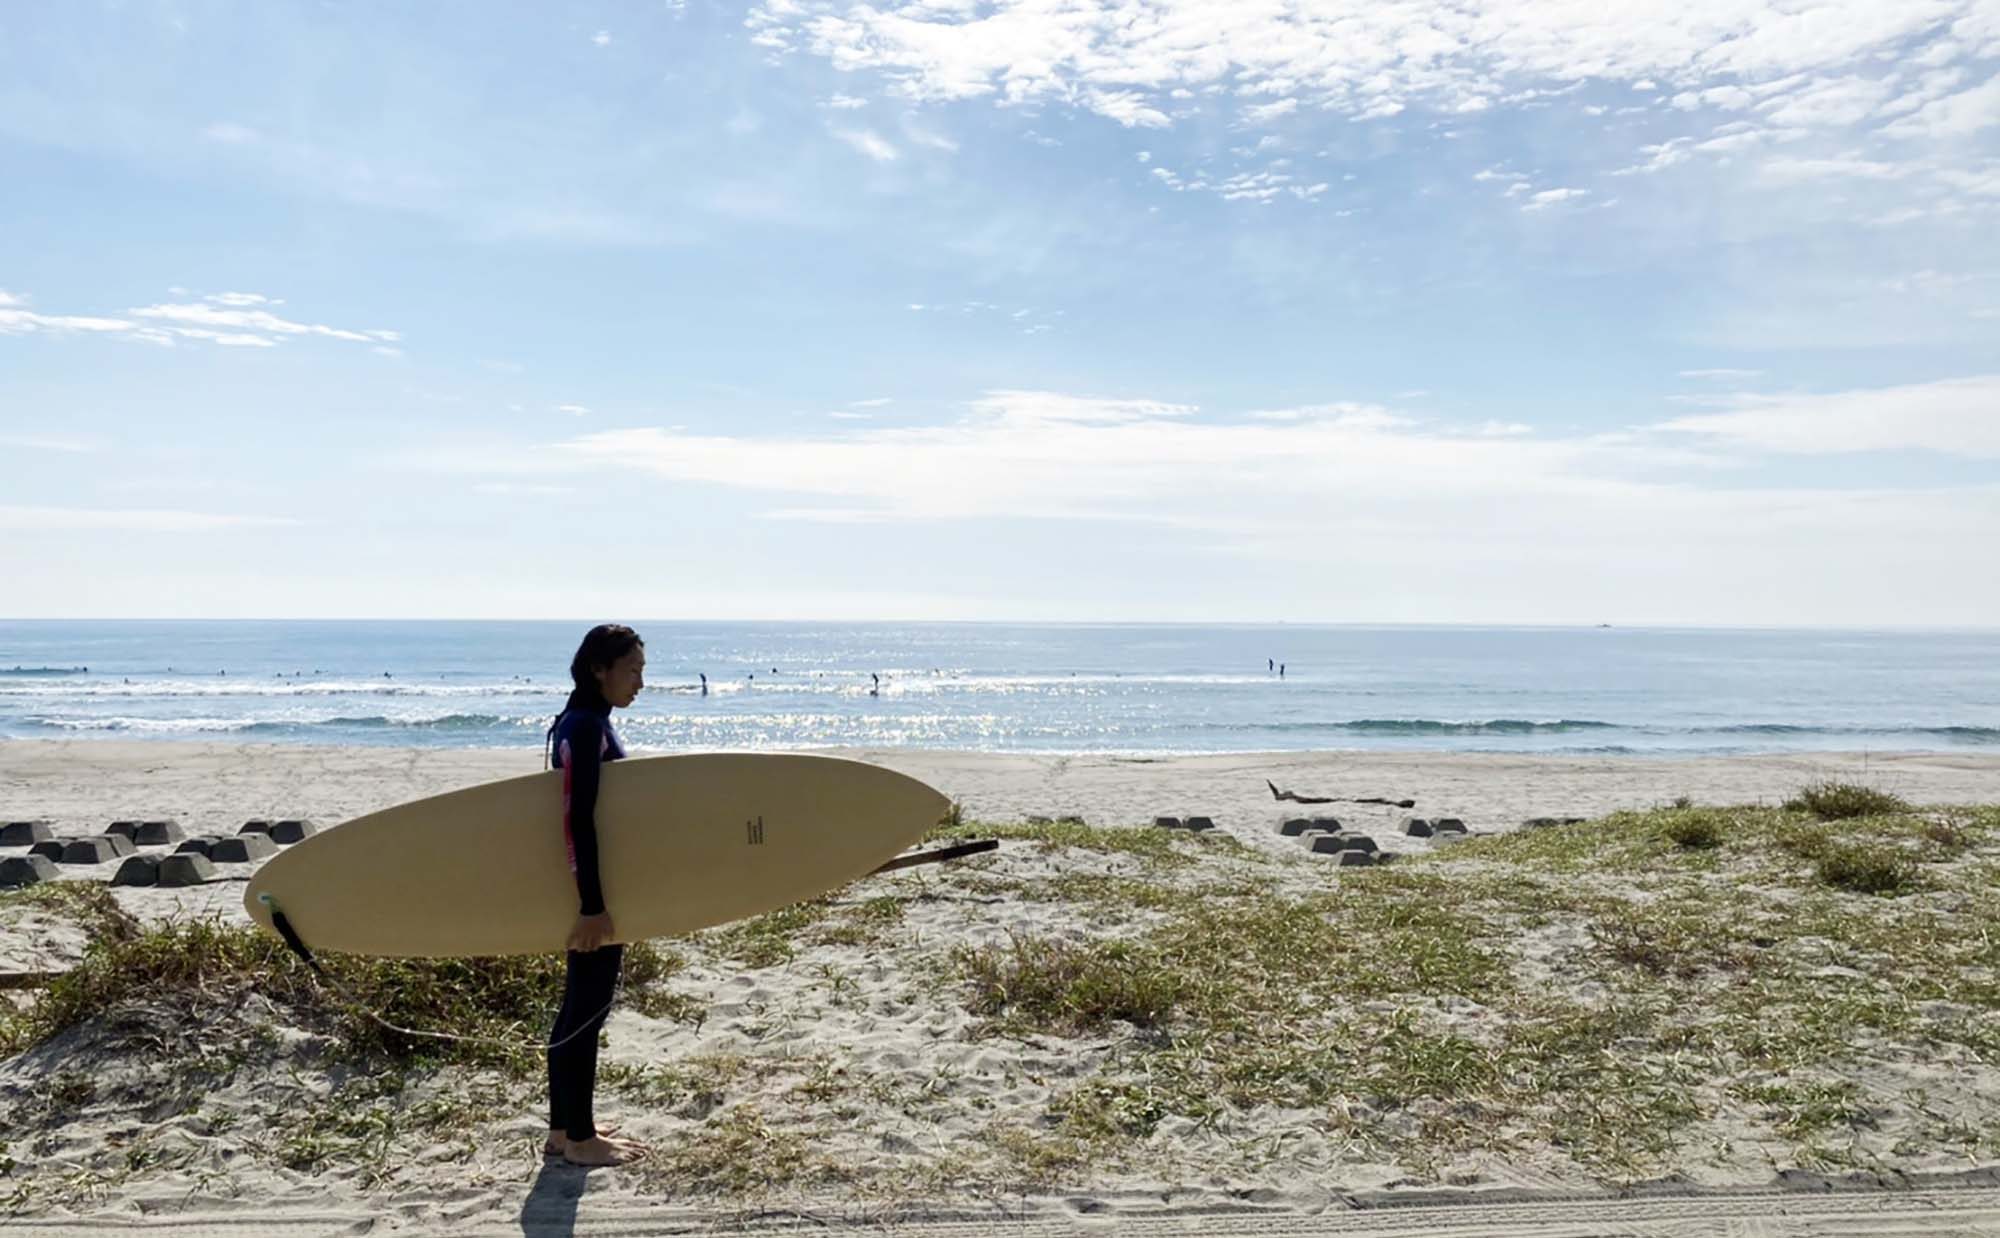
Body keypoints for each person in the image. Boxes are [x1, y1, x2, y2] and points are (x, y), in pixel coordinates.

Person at [541, 624, 649, 1166]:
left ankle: (564, 1128)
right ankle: (580, 1140)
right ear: (598, 671)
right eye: (631, 670)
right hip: (591, 893)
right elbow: (577, 817)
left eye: (641, 670)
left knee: (576, 1007)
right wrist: (591, 907)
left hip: (585, 887)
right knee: (586, 1010)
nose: (639, 682)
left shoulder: (576, 721)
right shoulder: (585, 728)